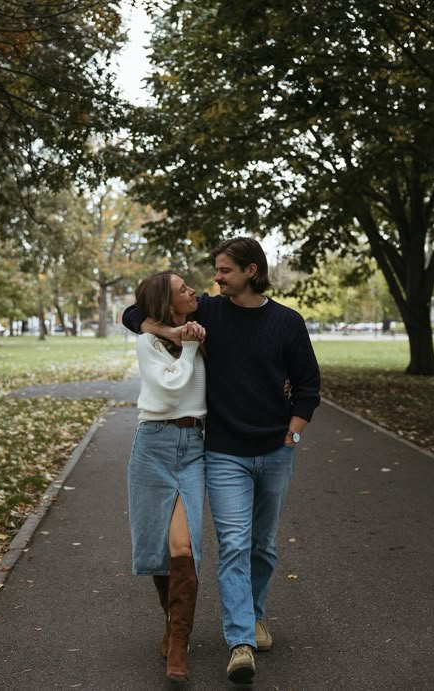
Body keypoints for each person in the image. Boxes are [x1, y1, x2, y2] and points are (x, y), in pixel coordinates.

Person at [124, 238, 321, 685]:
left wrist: (291, 435)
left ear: (251, 271)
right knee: (233, 544)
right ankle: (241, 642)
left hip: (275, 450)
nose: (215, 278)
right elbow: (134, 313)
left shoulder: (287, 323)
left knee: (262, 546)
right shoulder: (208, 312)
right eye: (216, 270)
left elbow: (309, 385)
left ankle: (253, 616)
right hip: (224, 452)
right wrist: (172, 332)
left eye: (225, 271)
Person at [127, 271, 207, 683]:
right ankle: (173, 627)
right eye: (183, 290)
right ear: (166, 303)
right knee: (158, 547)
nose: (193, 291)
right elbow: (170, 387)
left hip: (193, 446)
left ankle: (179, 642)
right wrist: (188, 347)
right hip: (153, 445)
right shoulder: (148, 342)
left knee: (182, 544)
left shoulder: (202, 330)